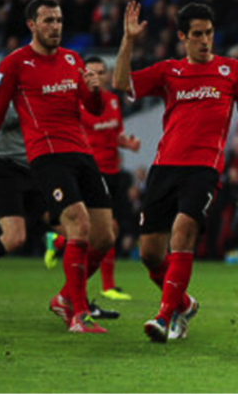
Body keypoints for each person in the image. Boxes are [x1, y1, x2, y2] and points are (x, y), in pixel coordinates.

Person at [112, 1, 238, 343]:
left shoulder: (231, 70)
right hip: (164, 167)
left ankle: (164, 317)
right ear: (183, 36)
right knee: (150, 254)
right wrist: (128, 40)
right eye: (197, 34)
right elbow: (122, 83)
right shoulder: (169, 71)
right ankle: (183, 304)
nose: (205, 40)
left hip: (203, 169)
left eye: (209, 33)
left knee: (182, 233)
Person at [0, 0, 116, 334]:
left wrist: (93, 91)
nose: (55, 27)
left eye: (59, 20)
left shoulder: (72, 59)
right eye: (48, 20)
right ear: (32, 24)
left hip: (81, 152)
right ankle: (79, 315)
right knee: (78, 225)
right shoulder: (15, 64)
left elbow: (93, 110)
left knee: (105, 236)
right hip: (46, 155)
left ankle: (63, 298)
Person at [0, 105, 118, 322]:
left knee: (80, 234)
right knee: (14, 238)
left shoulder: (56, 95)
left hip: (37, 169)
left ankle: (72, 299)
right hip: (5, 168)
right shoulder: (17, 102)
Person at [44, 57, 141, 302]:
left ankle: (58, 241)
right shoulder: (78, 101)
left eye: (101, 72)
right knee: (107, 229)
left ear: (107, 76)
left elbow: (114, 133)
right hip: (92, 171)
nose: (97, 76)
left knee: (104, 232)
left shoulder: (112, 101)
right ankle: (104, 286)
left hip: (113, 171)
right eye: (92, 72)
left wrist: (127, 143)